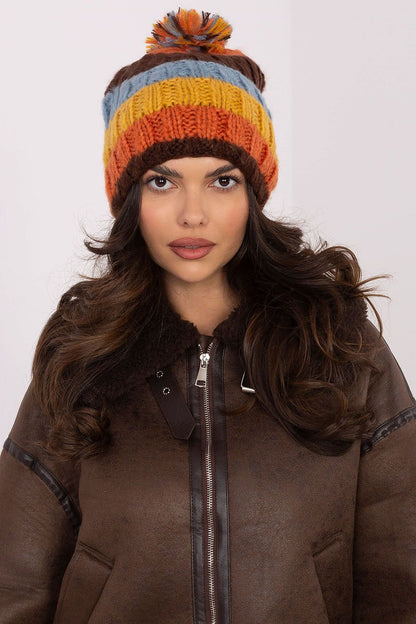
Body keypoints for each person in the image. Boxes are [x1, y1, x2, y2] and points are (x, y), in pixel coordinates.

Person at [0, 8, 415, 623]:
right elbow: (15, 584)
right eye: (162, 181)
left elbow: (401, 582)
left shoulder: (338, 346)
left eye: (222, 181)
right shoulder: (82, 352)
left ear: (253, 194)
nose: (193, 214)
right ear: (129, 198)